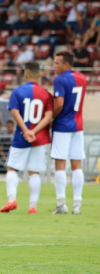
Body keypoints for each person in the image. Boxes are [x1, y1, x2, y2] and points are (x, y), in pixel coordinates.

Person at [0, 62, 53, 214]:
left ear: (25, 74)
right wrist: (34, 131)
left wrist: (26, 131)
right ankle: (32, 206)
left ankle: (12, 199)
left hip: (21, 136)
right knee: (34, 172)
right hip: (39, 137)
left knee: (12, 168)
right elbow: (49, 116)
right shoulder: (46, 93)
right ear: (40, 74)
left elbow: (14, 112)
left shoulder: (17, 91)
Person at [51, 51, 87, 215]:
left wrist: (50, 118)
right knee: (77, 165)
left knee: (60, 165)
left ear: (66, 64)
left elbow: (59, 104)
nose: (54, 66)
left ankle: (61, 204)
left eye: (57, 63)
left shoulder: (59, 79)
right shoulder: (82, 78)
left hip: (62, 126)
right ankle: (77, 204)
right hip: (78, 126)